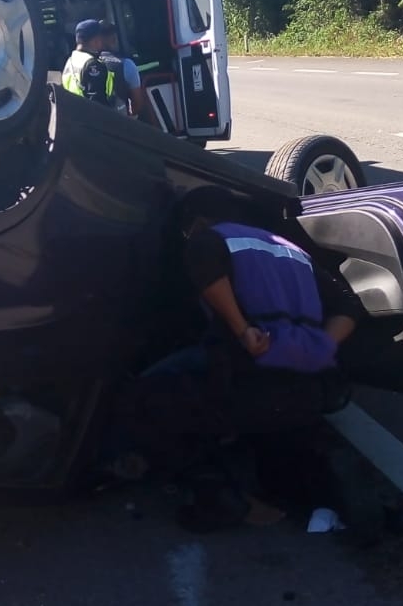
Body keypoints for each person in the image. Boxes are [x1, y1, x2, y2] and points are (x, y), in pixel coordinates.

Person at [114, 186, 381, 536]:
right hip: (310, 389)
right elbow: (349, 306)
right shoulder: (292, 250)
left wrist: (243, 331)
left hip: (246, 383)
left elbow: (205, 264)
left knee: (142, 403)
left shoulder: (210, 238)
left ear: (198, 221)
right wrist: (319, 346)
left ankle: (220, 497)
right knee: (279, 451)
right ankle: (317, 493)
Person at [62, 19, 148, 121]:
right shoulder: (92, 65)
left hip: (78, 121)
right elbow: (99, 107)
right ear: (96, 40)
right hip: (100, 128)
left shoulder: (71, 61)